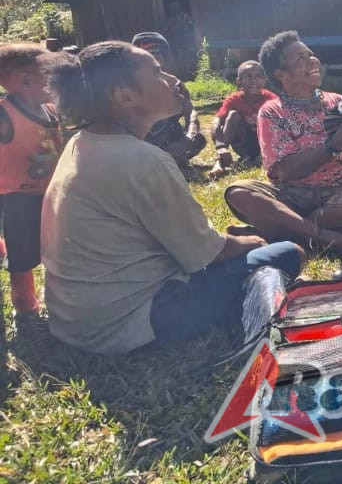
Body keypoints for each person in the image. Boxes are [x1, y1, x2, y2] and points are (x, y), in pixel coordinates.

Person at [40, 42, 304, 355]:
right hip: (128, 325)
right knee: (288, 253)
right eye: (157, 73)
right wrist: (256, 242)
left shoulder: (81, 144)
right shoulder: (143, 159)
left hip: (73, 323)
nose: (173, 80)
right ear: (124, 96)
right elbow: (206, 256)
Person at [224, 31, 342, 260]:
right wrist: (333, 146)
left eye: (311, 55)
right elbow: (285, 171)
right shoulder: (271, 111)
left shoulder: (339, 102)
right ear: (281, 75)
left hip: (338, 194)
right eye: (300, 59)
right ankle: (332, 240)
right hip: (291, 196)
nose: (312, 60)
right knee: (238, 192)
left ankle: (275, 232)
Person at [0, 44, 63, 329]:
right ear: (26, 80)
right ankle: (25, 306)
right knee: (23, 253)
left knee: (54, 243)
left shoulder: (50, 109)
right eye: (50, 74)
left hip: (50, 191)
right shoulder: (5, 115)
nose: (57, 80)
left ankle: (60, 295)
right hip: (16, 196)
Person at [131, 31, 206, 164]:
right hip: (140, 144)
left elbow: (191, 112)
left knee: (199, 140)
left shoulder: (176, 84)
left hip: (169, 141)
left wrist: (190, 136)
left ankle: (170, 156)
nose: (153, 65)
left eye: (157, 59)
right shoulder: (130, 89)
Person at [209, 60, 278, 179]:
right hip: (243, 144)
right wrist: (220, 146)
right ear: (239, 82)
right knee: (233, 115)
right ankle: (219, 161)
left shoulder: (270, 99)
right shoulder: (234, 99)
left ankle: (266, 157)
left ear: (264, 80)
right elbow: (216, 122)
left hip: (265, 144)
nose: (254, 80)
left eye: (258, 76)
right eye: (248, 77)